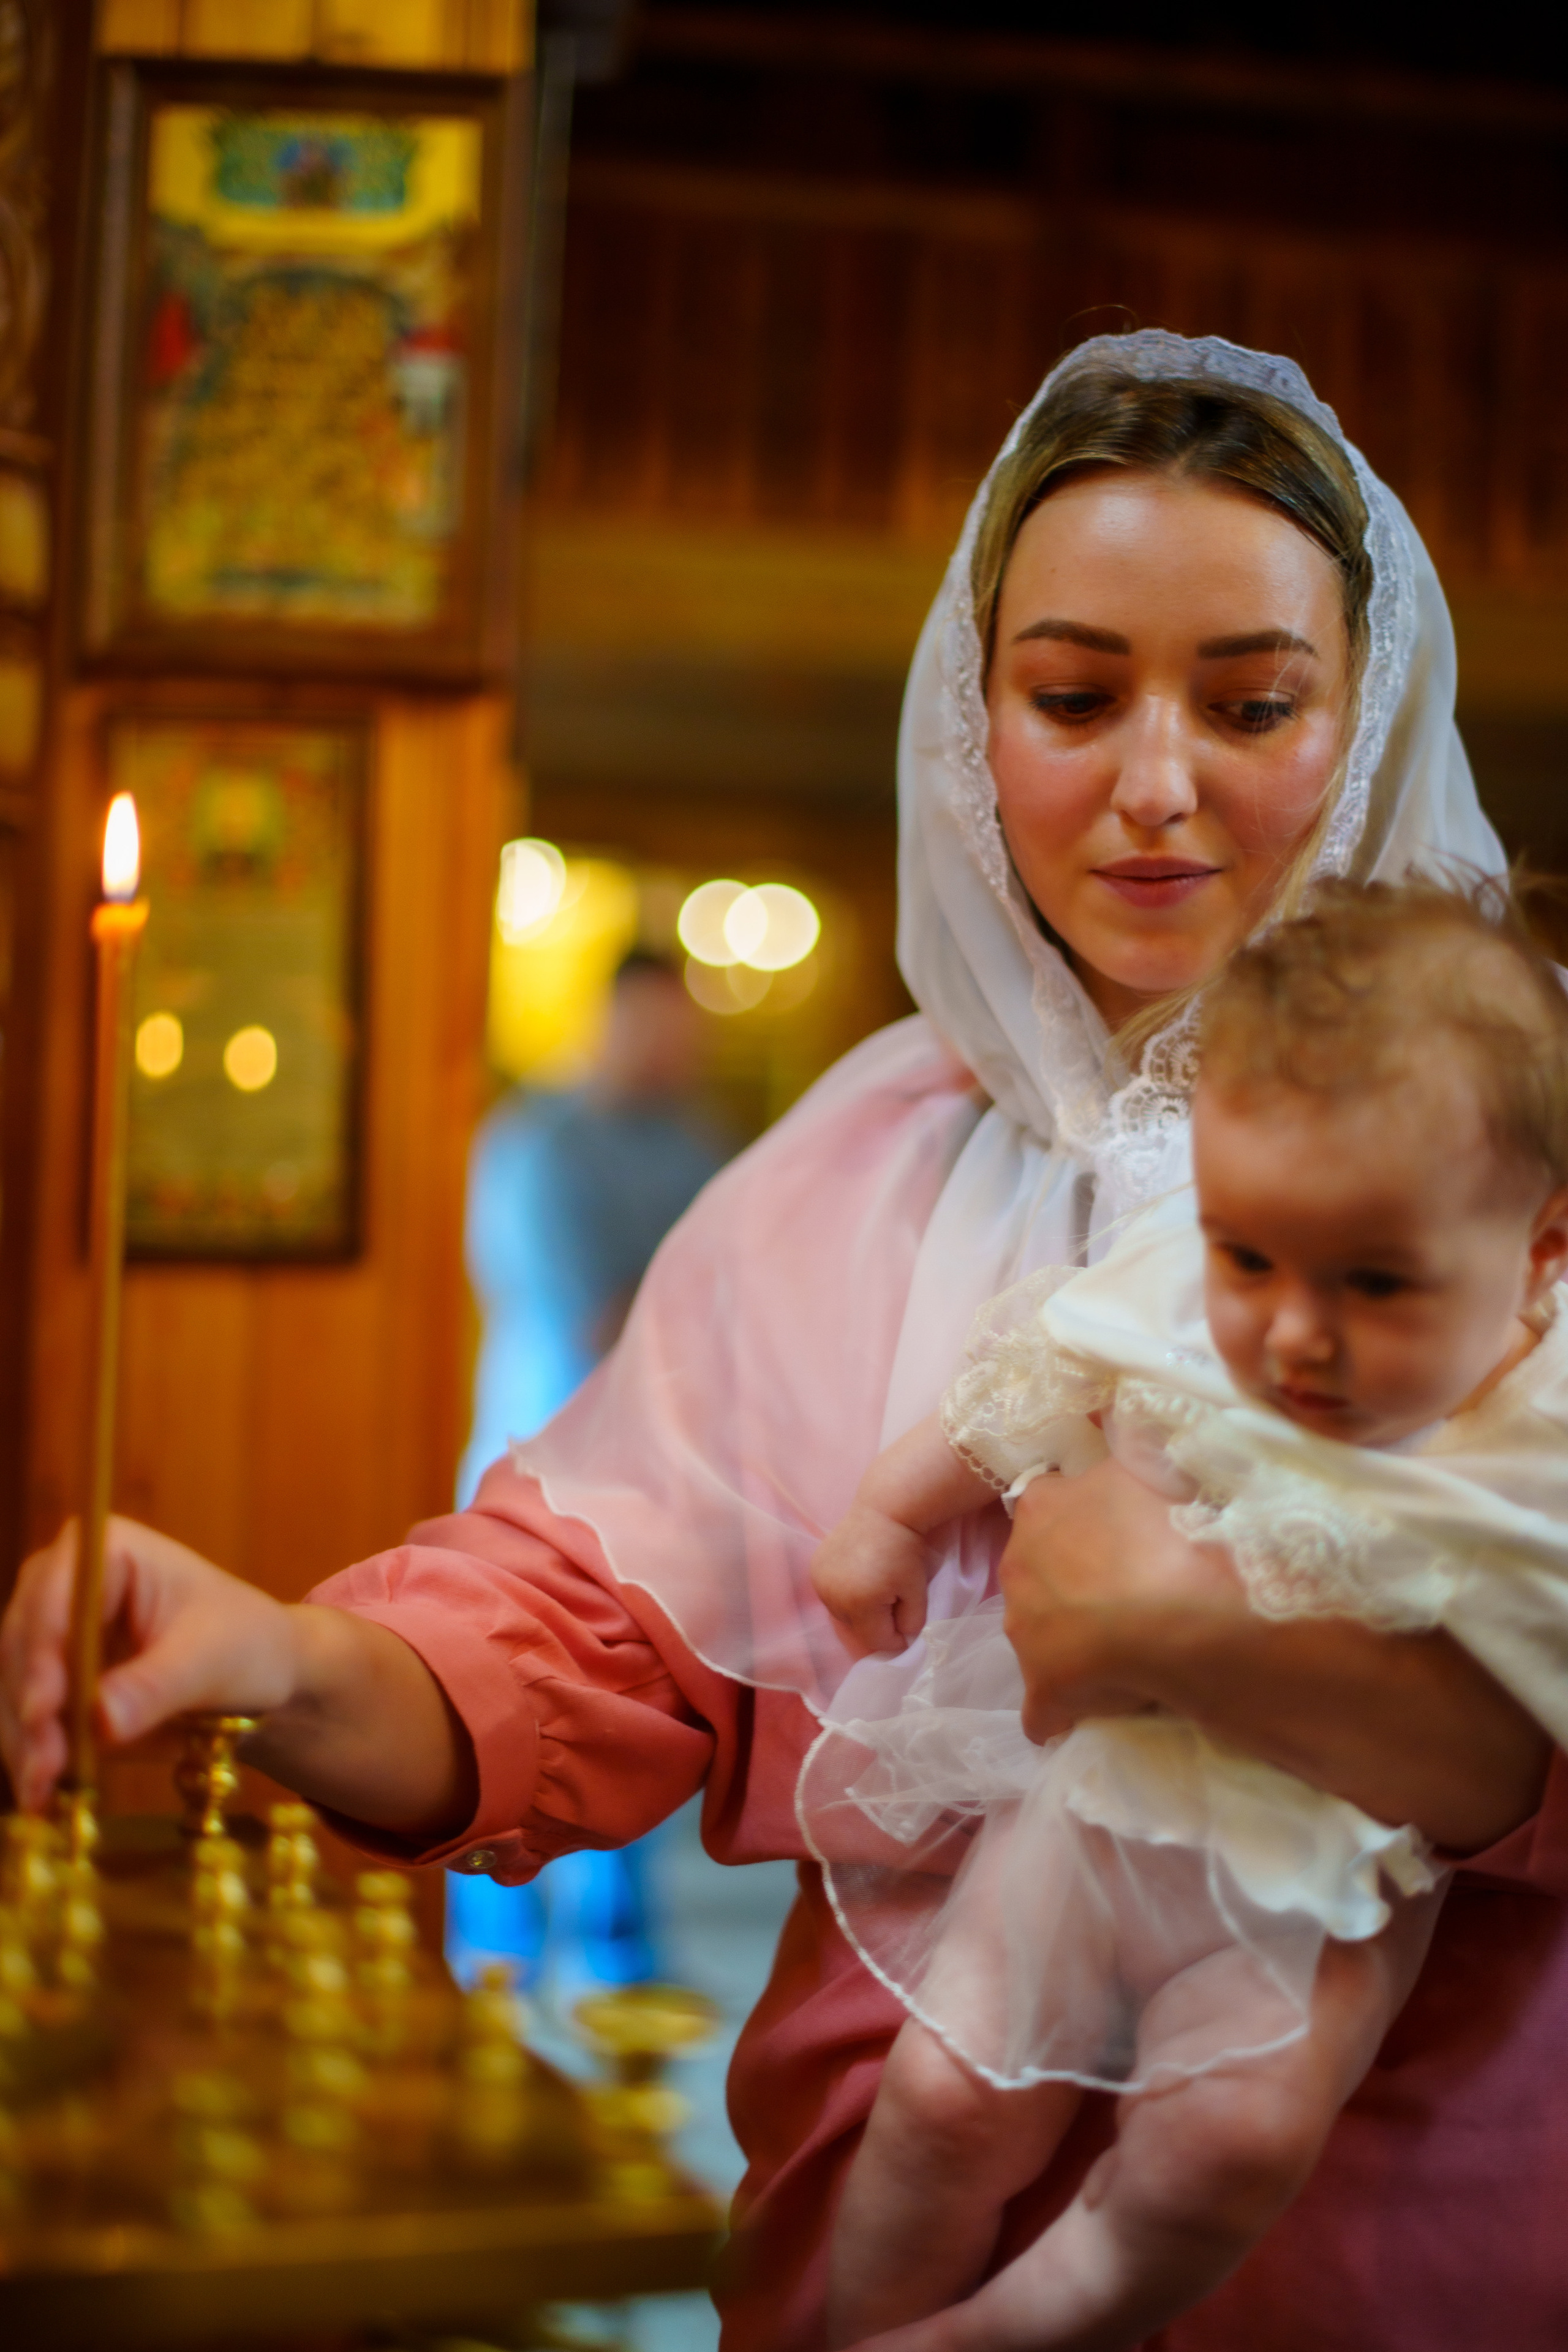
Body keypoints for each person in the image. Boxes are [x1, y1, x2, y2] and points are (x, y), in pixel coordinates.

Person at [1, 334, 1557, 2352]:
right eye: (1073, 697)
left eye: (1253, 703)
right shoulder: (865, 1162)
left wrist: (1191, 1633)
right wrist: (287, 1657)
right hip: (871, 2219)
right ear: (973, 722)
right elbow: (588, 1628)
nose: (1155, 783)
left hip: (1367, 2263)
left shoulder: (1530, 1157)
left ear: (1366, 721)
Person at [809, 880, 1568, 2351]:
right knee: (939, 2099)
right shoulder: (1178, 1283)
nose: (1290, 1330)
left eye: (1376, 1282)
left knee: (1219, 2158)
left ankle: (996, 2337)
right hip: (1096, 1812)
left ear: (1538, 1256)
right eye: (1247, 1259)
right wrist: (887, 1516)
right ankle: (858, 2326)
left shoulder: (1535, 1433)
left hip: (1328, 1876)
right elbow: (1037, 1372)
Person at [449, 948, 726, 1993]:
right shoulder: (535, 1143)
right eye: (660, 1024)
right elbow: (599, 1316)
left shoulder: (698, 1145)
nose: (677, 1046)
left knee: (635, 1709)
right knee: (504, 1701)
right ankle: (491, 1955)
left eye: (687, 1028)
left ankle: (616, 1956)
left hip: (657, 1475)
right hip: (537, 1464)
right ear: (611, 1018)